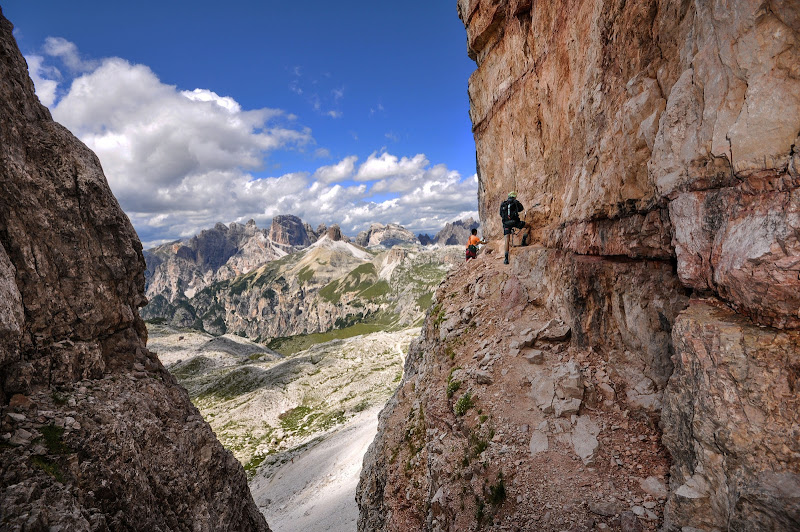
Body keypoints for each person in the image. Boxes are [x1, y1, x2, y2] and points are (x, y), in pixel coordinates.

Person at [500, 191, 524, 264]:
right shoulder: (516, 202)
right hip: (515, 222)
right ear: (514, 197)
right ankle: (523, 241)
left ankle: (506, 259)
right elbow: (521, 209)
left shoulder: (503, 204)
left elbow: (501, 214)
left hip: (506, 224)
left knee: (507, 239)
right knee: (528, 226)